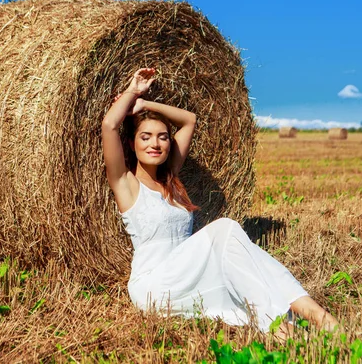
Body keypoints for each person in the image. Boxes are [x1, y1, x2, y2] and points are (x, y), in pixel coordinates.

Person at [102, 68, 338, 335]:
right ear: (132, 145)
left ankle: (317, 314)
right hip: (155, 285)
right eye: (145, 137)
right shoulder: (126, 184)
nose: (155, 144)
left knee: (255, 258)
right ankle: (278, 327)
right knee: (225, 228)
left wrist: (145, 105)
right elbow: (109, 125)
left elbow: (189, 120)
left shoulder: (171, 179)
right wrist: (134, 92)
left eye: (163, 136)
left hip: (190, 273)